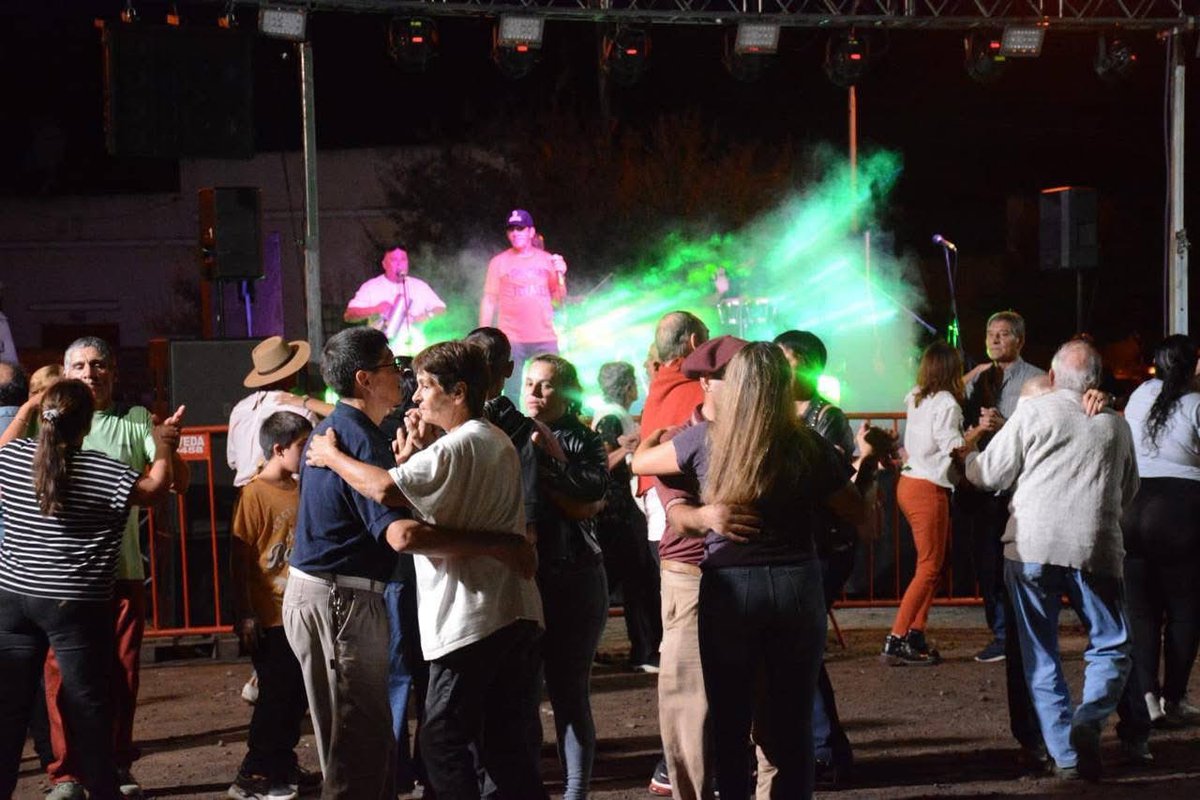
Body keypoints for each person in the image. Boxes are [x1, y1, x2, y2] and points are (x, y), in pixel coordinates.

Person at [305, 340, 546, 799]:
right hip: (512, 612)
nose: (416, 396)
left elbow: (382, 491)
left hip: (472, 618)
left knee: (441, 740)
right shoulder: (490, 439)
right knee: (506, 749)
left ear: (458, 392)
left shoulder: (462, 443)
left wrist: (331, 456)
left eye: (427, 386)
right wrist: (414, 457)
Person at [634, 343, 869, 800]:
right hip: (796, 584)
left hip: (729, 586)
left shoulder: (705, 439)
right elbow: (854, 508)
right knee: (790, 724)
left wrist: (648, 441)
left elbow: (643, 465)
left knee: (729, 721)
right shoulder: (807, 443)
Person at [960, 339, 1140, 781]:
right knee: (1112, 643)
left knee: (1040, 655)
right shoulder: (1115, 425)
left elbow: (991, 474)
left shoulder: (1034, 412)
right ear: (1095, 382)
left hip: (1032, 545)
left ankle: (1066, 755)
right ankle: (1089, 721)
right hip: (1094, 544)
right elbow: (1129, 489)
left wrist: (967, 458)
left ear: (1054, 377)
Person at [0, 380, 178, 800]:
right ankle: (102, 789)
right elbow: (155, 490)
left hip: (13, 600)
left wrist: (27, 409)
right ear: (84, 427)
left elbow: (6, 442)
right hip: (74, 603)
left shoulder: (13, 457)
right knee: (89, 707)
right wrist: (164, 444)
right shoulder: (102, 469)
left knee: (8, 712)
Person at [37, 337, 191, 800]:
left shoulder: (134, 420)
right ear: (65, 372)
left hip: (119, 571)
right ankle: (66, 774)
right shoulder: (48, 426)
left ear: (114, 372)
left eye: (99, 363)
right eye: (79, 364)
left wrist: (169, 447)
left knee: (120, 674)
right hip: (59, 579)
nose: (90, 372)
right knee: (60, 676)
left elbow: (174, 484)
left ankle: (117, 763)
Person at [283, 327, 412, 800]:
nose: (401, 374)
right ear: (365, 379)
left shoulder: (343, 433)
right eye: (392, 365)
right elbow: (397, 532)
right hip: (341, 601)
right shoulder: (358, 441)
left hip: (334, 594)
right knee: (356, 752)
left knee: (361, 745)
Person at [524, 353, 609, 800]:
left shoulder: (582, 438)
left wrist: (549, 460)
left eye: (546, 385)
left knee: (569, 691)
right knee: (522, 692)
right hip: (527, 578)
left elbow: (589, 493)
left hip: (575, 574)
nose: (535, 393)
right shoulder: (513, 435)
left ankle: (577, 790)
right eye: (530, 384)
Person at [773, 330, 857, 784]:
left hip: (823, 547)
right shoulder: (775, 414)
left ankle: (825, 750)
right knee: (797, 650)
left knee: (801, 649)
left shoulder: (828, 417)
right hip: (796, 544)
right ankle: (826, 749)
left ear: (805, 365)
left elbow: (828, 483)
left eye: (783, 359)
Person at [636, 311, 710, 798]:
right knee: (692, 651)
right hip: (684, 530)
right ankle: (679, 766)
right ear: (693, 342)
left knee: (680, 645)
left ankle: (677, 764)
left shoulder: (660, 383)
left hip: (661, 522)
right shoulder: (690, 386)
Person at [228, 411, 314, 800]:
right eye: (302, 445)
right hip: (270, 613)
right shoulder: (254, 494)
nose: (309, 451)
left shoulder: (302, 487)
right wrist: (245, 611)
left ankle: (281, 763)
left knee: (294, 694)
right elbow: (240, 557)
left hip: (299, 609)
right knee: (277, 695)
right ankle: (254, 773)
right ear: (279, 449)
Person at [1118, 334, 1200, 728]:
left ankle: (1147, 696)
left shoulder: (1140, 395)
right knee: (1185, 611)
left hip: (1133, 507)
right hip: (1180, 510)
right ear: (1193, 367)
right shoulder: (1195, 403)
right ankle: (1175, 697)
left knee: (1141, 610)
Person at [958, 310, 1046, 664]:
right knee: (987, 564)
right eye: (990, 334)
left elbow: (1041, 430)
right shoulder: (978, 378)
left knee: (1021, 565)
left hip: (1018, 486)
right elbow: (935, 391)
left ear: (1020, 340)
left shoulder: (1037, 381)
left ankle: (1022, 634)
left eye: (1004, 334)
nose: (995, 340)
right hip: (982, 484)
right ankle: (1000, 634)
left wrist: (1004, 425)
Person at [882, 341, 976, 667]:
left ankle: (915, 634)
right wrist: (980, 430)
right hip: (929, 487)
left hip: (909, 483)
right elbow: (955, 447)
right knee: (928, 567)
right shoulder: (948, 403)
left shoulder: (917, 395)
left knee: (931, 564)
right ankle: (897, 637)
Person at [593, 361, 662, 673]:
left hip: (620, 511)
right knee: (638, 580)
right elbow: (603, 463)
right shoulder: (611, 417)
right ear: (626, 386)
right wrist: (632, 447)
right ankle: (645, 651)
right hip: (618, 513)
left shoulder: (612, 414)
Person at [478, 210, 568, 400]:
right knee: (510, 391)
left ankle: (551, 428)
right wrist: (482, 334)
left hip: (544, 336)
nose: (515, 233)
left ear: (531, 231)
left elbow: (559, 299)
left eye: (520, 228)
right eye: (511, 229)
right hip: (512, 338)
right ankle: (513, 429)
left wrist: (561, 274)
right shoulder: (498, 262)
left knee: (555, 386)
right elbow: (489, 299)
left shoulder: (547, 259)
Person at [228, 336, 326, 490]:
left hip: (244, 495)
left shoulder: (239, 409)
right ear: (289, 372)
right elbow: (318, 457)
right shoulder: (301, 411)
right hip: (286, 493)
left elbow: (232, 461)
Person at [345, 247, 446, 350]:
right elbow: (349, 315)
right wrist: (375, 309)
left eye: (403, 259)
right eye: (394, 260)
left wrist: (428, 315)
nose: (399, 264)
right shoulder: (371, 287)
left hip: (418, 349)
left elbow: (441, 309)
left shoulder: (419, 286)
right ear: (384, 264)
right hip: (384, 350)